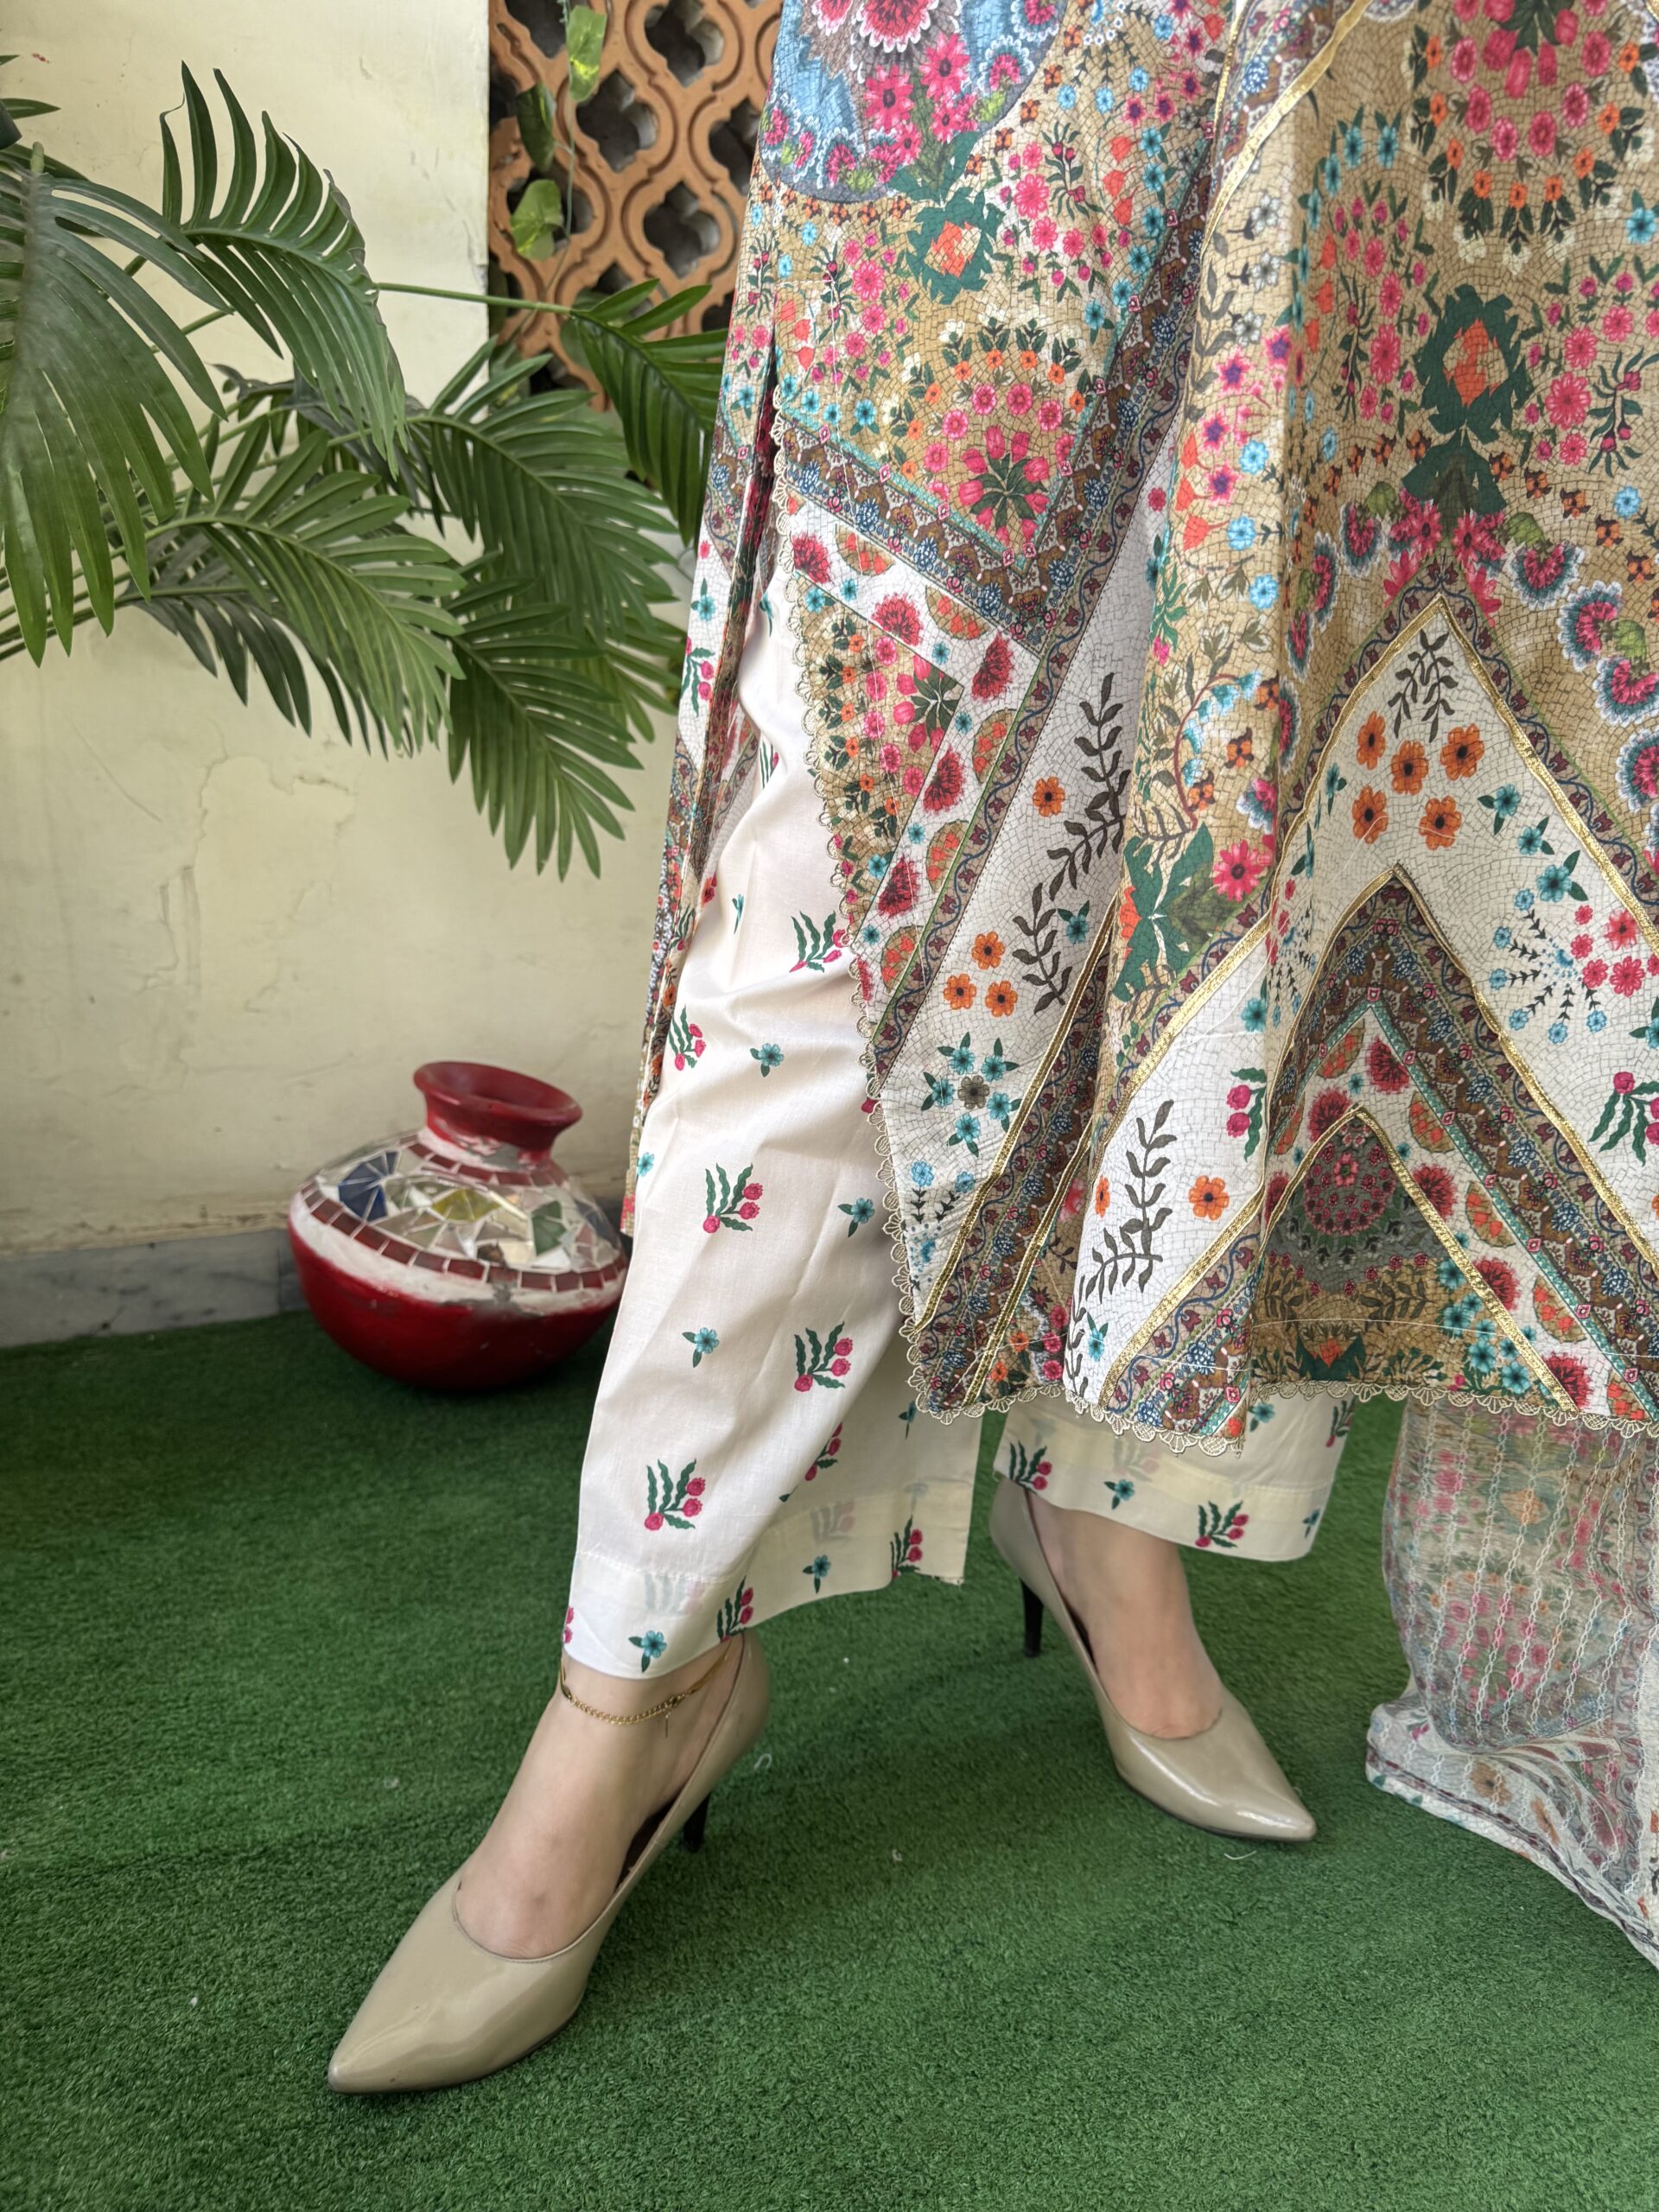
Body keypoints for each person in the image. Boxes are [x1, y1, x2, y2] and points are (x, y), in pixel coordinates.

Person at [331, 0, 1659, 2088]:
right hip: (1001, 84)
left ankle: (1114, 1514)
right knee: (829, 902)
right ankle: (631, 1679)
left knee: (1258, 856)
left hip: (1378, 80)